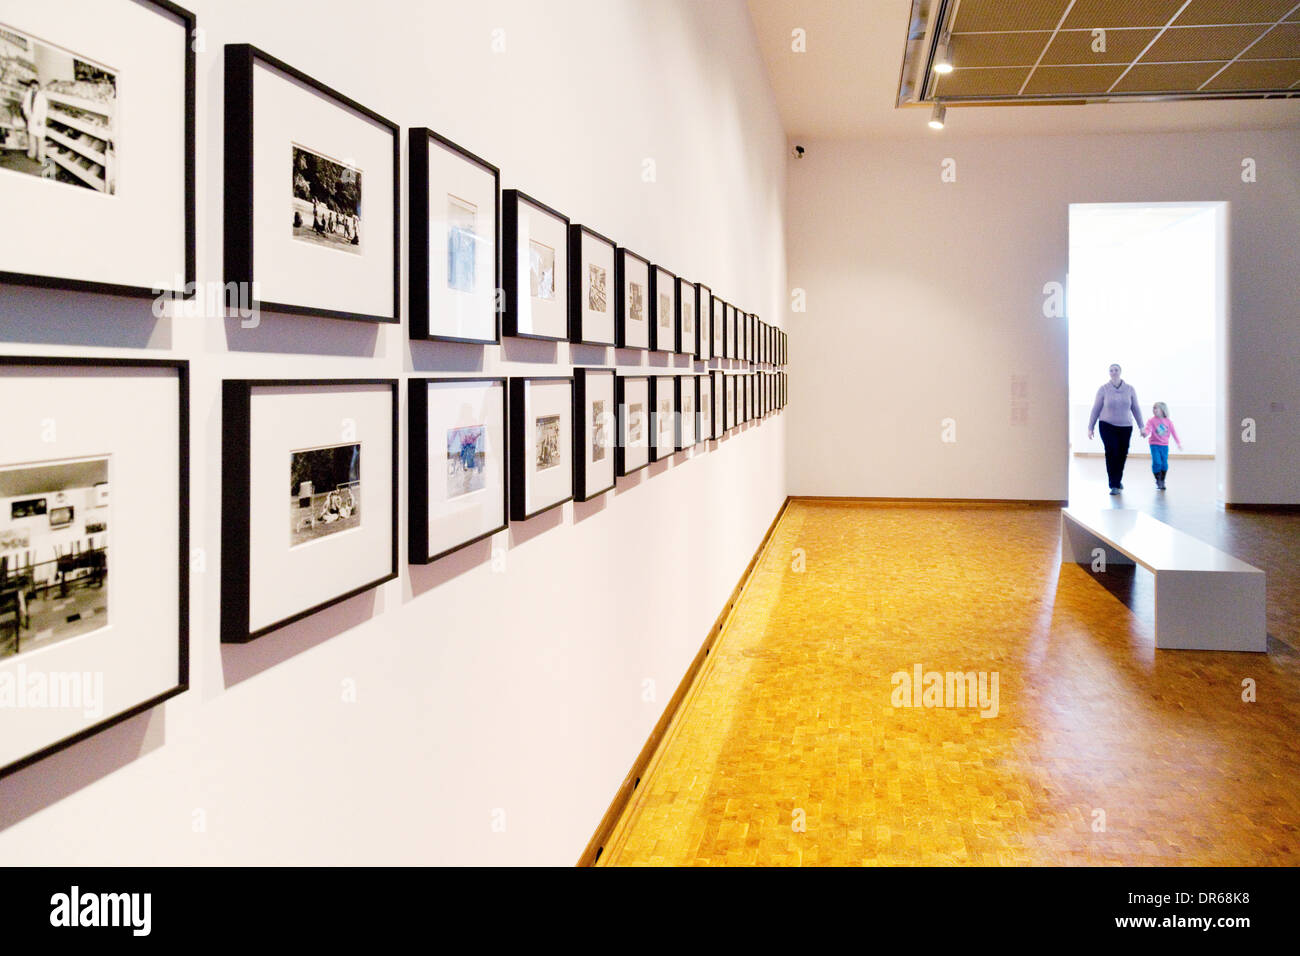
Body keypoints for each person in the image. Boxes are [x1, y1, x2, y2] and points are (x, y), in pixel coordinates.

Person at [1087, 363, 1146, 495]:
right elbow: (1095, 409)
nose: (1113, 372)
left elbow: (1135, 408)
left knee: (1121, 454)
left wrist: (1141, 426)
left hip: (1125, 427)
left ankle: (1117, 479)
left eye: (1116, 370)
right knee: (1112, 452)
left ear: (1120, 372)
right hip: (1107, 425)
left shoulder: (1130, 389)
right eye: (1111, 370)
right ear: (1109, 373)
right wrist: (1090, 427)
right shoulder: (1103, 389)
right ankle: (1113, 484)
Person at [1144, 402, 1182, 491]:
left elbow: (1174, 433)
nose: (1154, 410)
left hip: (1164, 446)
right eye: (1153, 408)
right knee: (1157, 462)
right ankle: (1158, 480)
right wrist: (1145, 433)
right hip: (1154, 445)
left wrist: (1178, 443)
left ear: (1162, 410)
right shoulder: (1151, 421)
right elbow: (1148, 429)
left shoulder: (1168, 422)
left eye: (1156, 408)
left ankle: (1162, 480)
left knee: (1164, 464)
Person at [21, 79, 47, 166]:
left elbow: (44, 109)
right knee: (31, 137)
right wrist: (26, 114)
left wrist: (41, 119)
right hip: (31, 119)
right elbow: (25, 105)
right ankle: (31, 153)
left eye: (35, 86)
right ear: (30, 86)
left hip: (39, 120)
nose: (33, 88)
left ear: (38, 87)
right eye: (32, 86)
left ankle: (40, 157)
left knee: (40, 139)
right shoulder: (28, 94)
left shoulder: (42, 96)